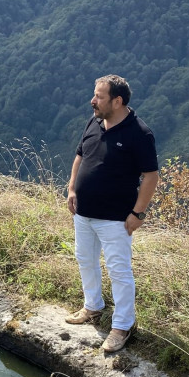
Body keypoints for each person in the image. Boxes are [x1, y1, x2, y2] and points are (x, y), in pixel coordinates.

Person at [65, 75, 158, 352]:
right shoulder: (94, 121)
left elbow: (151, 177)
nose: (92, 101)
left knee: (119, 270)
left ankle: (123, 326)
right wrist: (72, 189)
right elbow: (80, 155)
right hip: (84, 212)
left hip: (116, 218)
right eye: (94, 95)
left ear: (117, 101)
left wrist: (138, 214)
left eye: (99, 97)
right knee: (85, 259)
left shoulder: (139, 133)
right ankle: (92, 307)